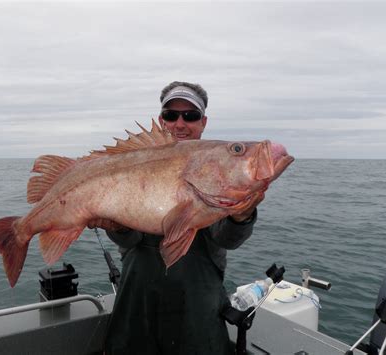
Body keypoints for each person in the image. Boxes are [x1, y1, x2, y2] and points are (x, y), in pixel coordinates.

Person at [100, 81, 265, 355]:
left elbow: (226, 238)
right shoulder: (134, 162)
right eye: (171, 115)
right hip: (137, 299)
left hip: (198, 305)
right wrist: (115, 226)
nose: (180, 123)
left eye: (190, 116)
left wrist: (242, 216)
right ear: (162, 120)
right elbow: (129, 239)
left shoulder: (218, 170)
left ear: (203, 122)